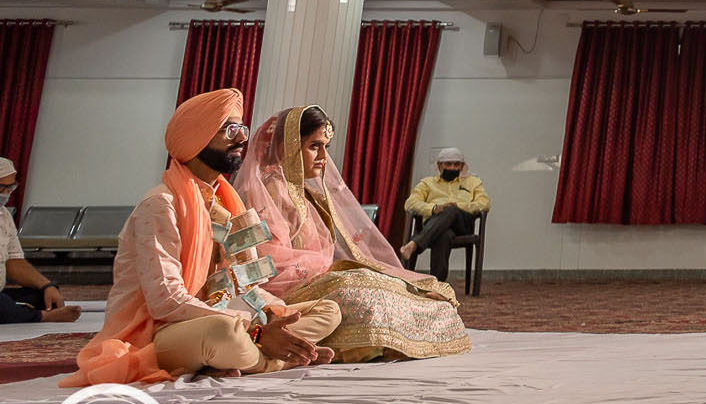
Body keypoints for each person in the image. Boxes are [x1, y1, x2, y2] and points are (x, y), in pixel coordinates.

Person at [66, 89, 342, 385]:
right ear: (196, 137)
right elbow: (166, 302)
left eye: (242, 129)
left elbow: (243, 286)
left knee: (328, 310)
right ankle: (273, 360)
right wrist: (256, 330)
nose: (242, 139)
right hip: (160, 330)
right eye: (230, 130)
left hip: (222, 317)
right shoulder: (161, 205)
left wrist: (270, 315)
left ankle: (253, 354)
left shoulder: (228, 204)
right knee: (223, 333)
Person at [232, 106, 469, 363]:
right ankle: (362, 344)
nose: (323, 157)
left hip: (315, 280)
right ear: (286, 146)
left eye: (326, 147)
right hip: (286, 291)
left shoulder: (302, 190)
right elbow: (268, 262)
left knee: (392, 286)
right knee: (366, 294)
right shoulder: (267, 190)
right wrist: (327, 272)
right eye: (314, 146)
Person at [0, 157, 80, 324]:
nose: (6, 193)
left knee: (41, 295)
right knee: (3, 305)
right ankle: (42, 316)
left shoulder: (4, 216)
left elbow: (13, 261)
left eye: (11, 187)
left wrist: (46, 286)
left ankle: (20, 310)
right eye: (2, 187)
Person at [399, 147, 488, 284]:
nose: (452, 168)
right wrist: (433, 208)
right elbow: (410, 203)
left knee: (451, 209)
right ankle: (437, 285)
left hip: (462, 224)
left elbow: (484, 203)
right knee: (444, 235)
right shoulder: (427, 183)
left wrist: (459, 206)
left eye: (456, 164)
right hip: (435, 225)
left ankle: (415, 243)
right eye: (448, 164)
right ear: (440, 165)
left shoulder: (473, 182)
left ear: (462, 166)